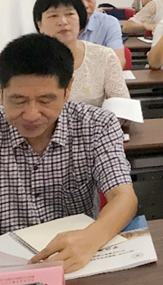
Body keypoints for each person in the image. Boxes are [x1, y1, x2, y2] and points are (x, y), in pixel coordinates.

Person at [0, 34, 138, 273]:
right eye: (18, 100)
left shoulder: (96, 124)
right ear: (1, 92)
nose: (32, 114)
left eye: (46, 100)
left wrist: (92, 238)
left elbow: (123, 197)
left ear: (67, 90)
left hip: (75, 265)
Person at [34, 0, 130, 107]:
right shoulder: (25, 60)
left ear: (80, 20)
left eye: (70, 14)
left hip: (94, 125)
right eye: (53, 15)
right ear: (39, 24)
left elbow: (123, 107)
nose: (63, 22)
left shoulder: (104, 56)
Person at [61, 0, 125, 68]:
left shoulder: (109, 23)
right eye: (78, 0)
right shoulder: (57, 24)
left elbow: (118, 60)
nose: (85, 5)